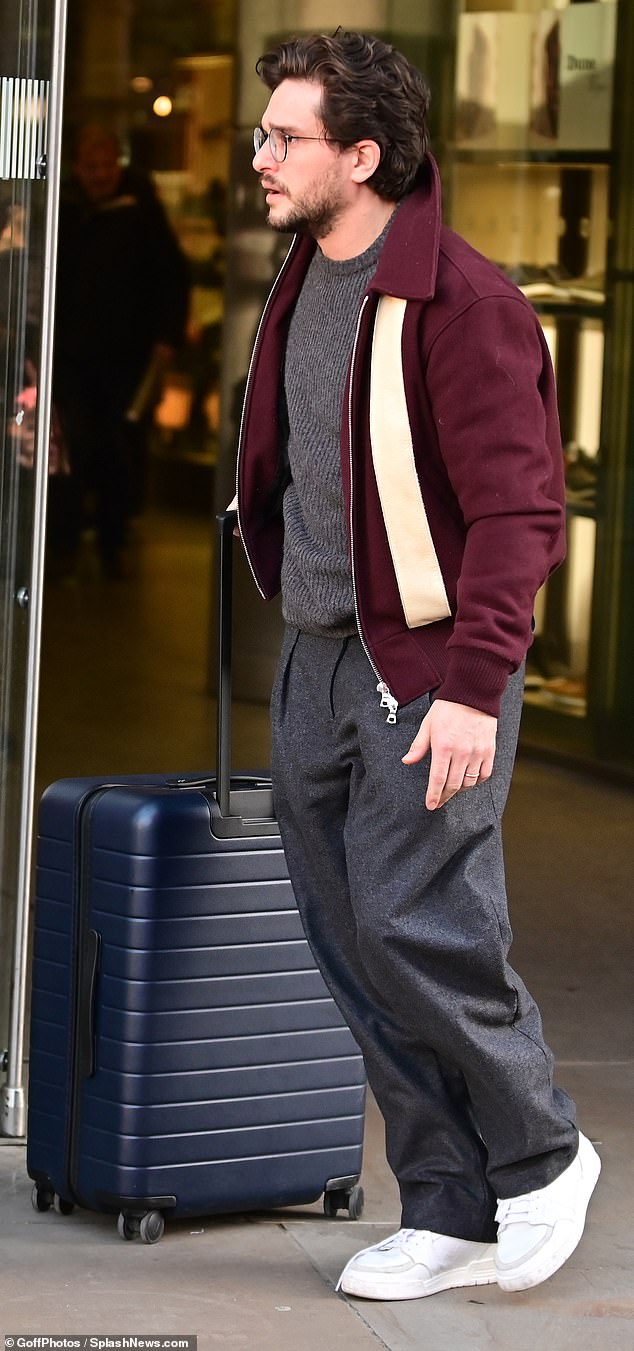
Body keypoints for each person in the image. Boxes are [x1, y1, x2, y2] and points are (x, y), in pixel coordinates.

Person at [232, 31, 601, 1302]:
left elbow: (519, 512)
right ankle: (443, 1202)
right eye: (263, 133)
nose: (262, 156)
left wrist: (472, 686)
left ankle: (544, 1154)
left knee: (420, 925)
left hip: (427, 671)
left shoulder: (465, 301)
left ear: (364, 156)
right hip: (316, 661)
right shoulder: (302, 275)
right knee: (351, 940)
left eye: (285, 137)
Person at [53, 126, 189, 575]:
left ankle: (113, 538)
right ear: (77, 168)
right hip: (70, 355)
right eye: (91, 167)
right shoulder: (63, 211)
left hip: (126, 357)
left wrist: (166, 337)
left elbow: (170, 276)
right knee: (72, 443)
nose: (99, 176)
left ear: (119, 166)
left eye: (107, 166)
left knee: (118, 447)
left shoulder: (140, 212)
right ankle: (64, 539)